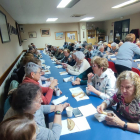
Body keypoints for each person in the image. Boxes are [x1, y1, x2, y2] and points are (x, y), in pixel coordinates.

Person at [3, 83, 70, 140]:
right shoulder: (26, 127)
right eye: (38, 100)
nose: (41, 101)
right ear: (27, 106)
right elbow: (54, 137)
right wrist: (58, 113)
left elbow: (41, 108)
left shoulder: (24, 105)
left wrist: (58, 107)